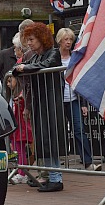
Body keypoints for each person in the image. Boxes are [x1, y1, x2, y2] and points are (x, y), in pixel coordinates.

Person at [13, 22, 64, 192]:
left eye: (32, 39)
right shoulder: (34, 57)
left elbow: (47, 65)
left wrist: (25, 67)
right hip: (39, 103)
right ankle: (50, 176)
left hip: (51, 102)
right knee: (43, 141)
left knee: (51, 140)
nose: (29, 43)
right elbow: (19, 71)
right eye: (27, 40)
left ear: (41, 39)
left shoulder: (54, 53)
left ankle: (56, 178)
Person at [56, 28, 99, 171]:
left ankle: (87, 161)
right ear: (59, 41)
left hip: (74, 99)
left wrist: (84, 103)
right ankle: (56, 162)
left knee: (79, 129)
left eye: (70, 39)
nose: (68, 42)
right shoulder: (54, 57)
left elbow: (81, 80)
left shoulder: (75, 57)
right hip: (58, 100)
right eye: (65, 39)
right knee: (57, 131)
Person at [6, 74, 33, 184]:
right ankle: (20, 172)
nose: (8, 84)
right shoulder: (13, 95)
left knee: (20, 151)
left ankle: (22, 173)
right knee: (17, 151)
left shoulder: (21, 95)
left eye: (10, 81)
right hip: (15, 127)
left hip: (21, 127)